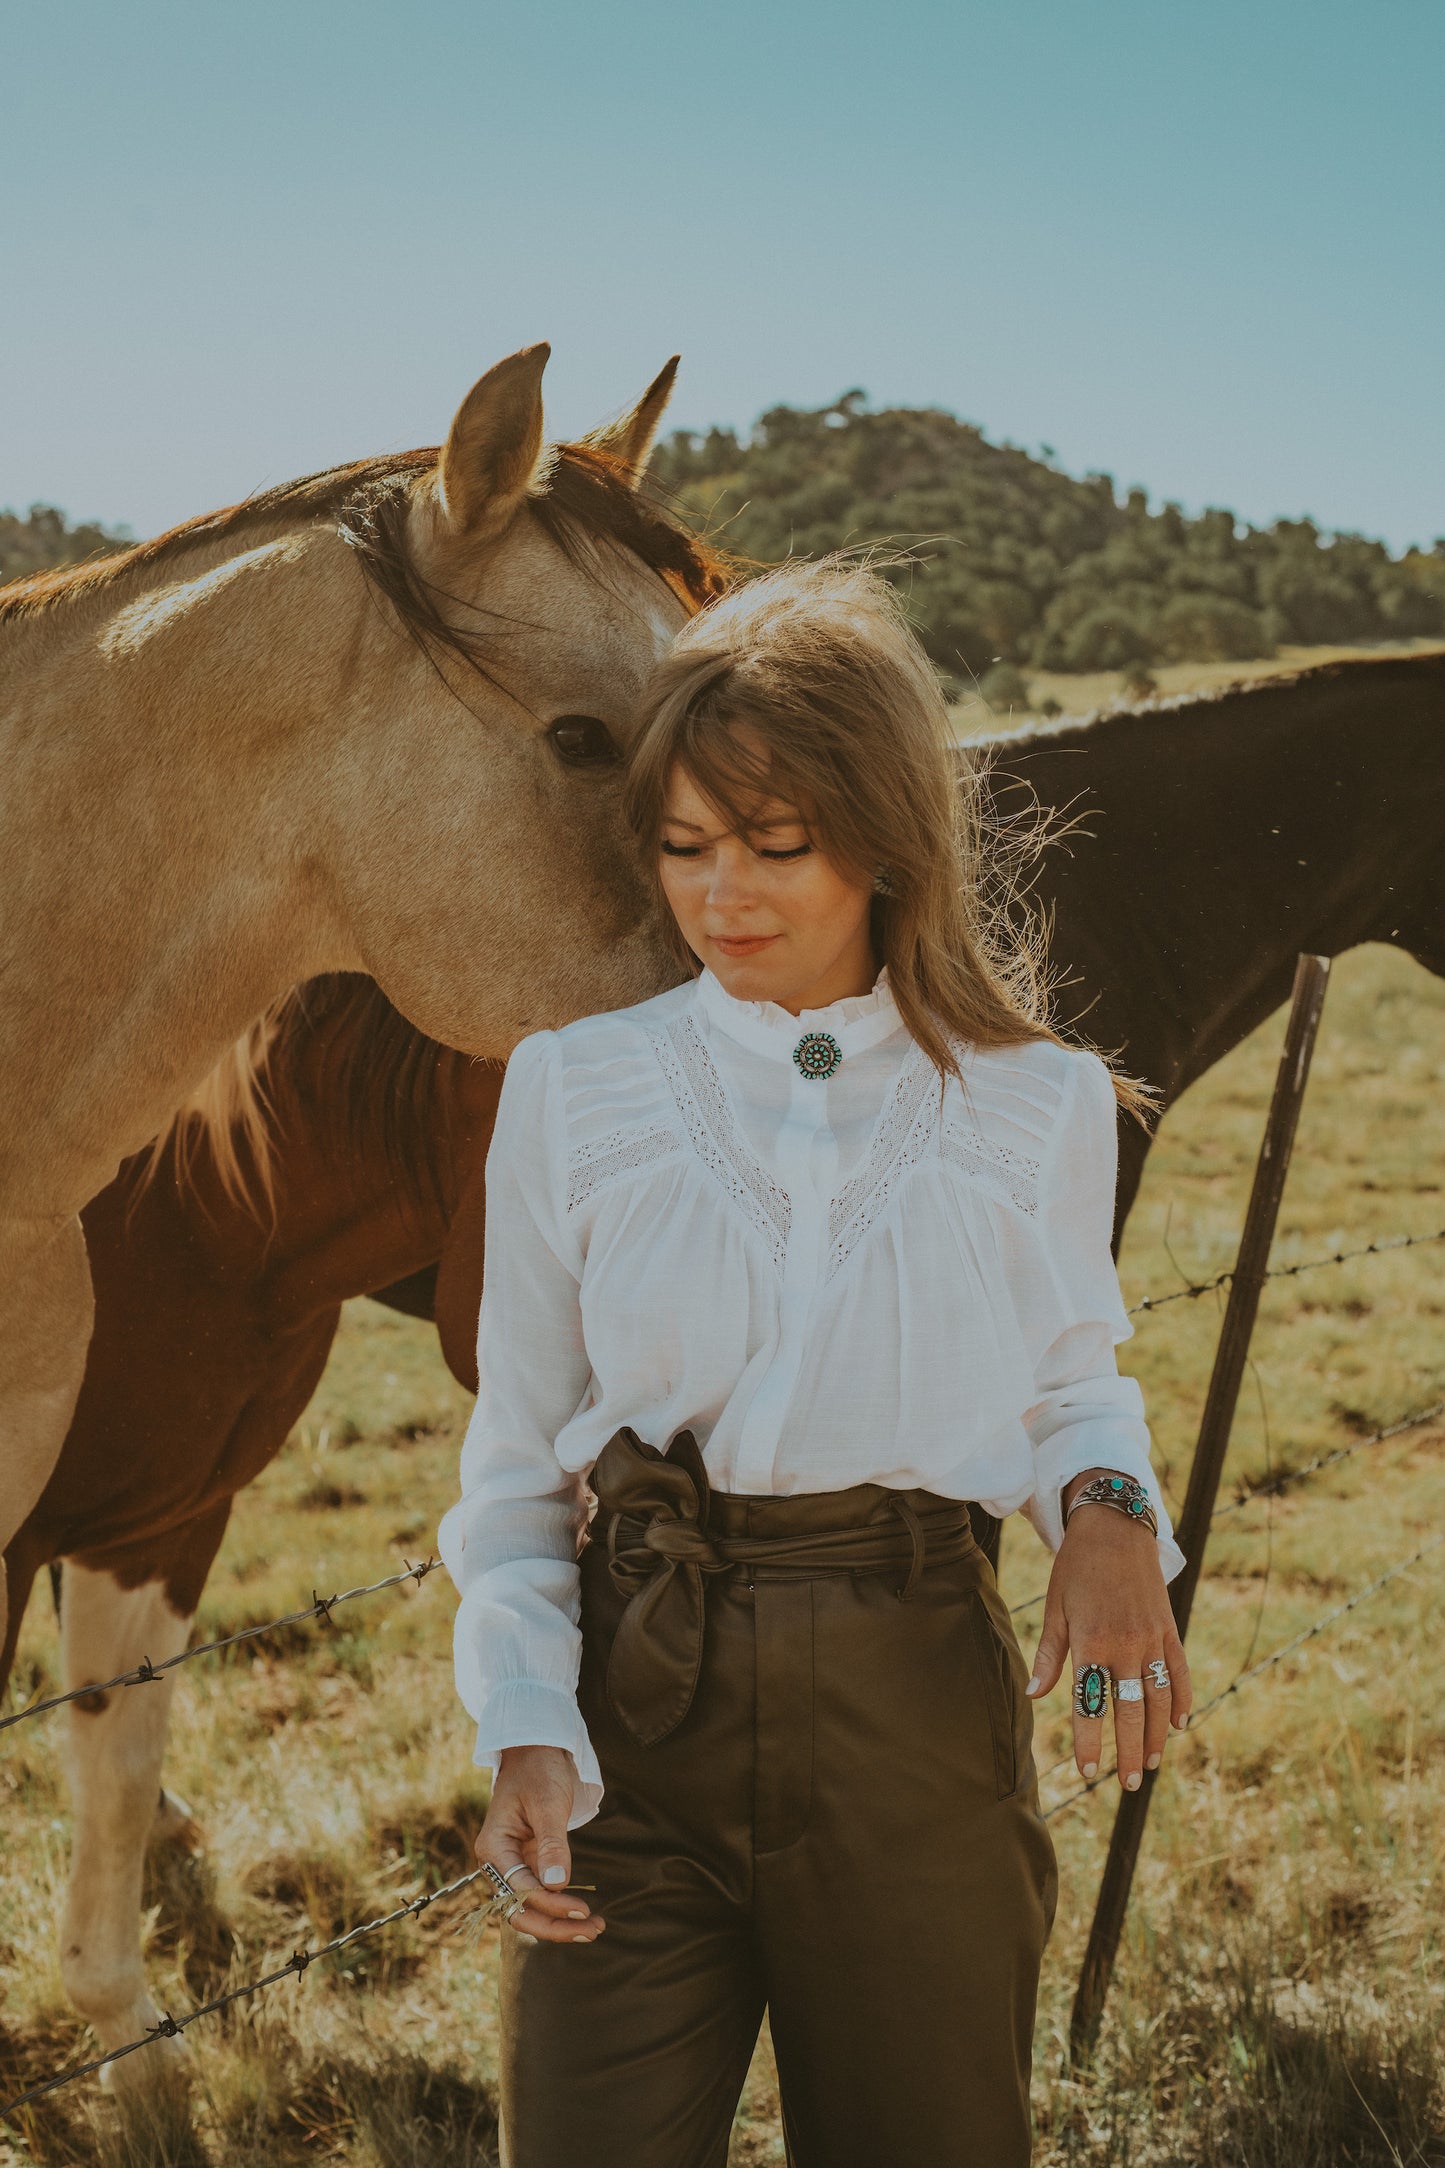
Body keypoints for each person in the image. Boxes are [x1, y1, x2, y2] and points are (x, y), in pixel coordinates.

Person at [438, 561, 1189, 2167]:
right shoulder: (574, 1089)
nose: (722, 895)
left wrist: (1113, 1515)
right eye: (685, 847)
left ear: (886, 838)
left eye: (775, 846)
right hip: (631, 1714)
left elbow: (1072, 1383)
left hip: (912, 1706)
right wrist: (520, 1715)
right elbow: (514, 1453)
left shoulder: (1034, 1102)